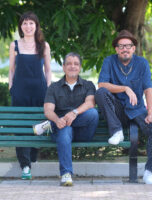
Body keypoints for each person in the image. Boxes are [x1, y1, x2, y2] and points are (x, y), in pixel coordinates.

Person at [95, 30, 152, 184]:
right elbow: (102, 84)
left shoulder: (142, 63)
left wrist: (151, 113)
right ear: (116, 49)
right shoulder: (109, 61)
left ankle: (150, 172)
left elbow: (148, 90)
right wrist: (125, 88)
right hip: (117, 112)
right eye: (121, 46)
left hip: (137, 110)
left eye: (128, 45)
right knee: (100, 92)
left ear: (134, 48)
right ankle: (117, 131)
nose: (124, 49)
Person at [43, 52, 99, 186]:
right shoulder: (54, 87)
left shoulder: (88, 85)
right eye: (68, 63)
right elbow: (48, 110)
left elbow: (91, 103)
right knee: (65, 128)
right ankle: (66, 174)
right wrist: (57, 120)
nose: (72, 66)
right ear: (63, 67)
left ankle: (48, 125)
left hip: (83, 131)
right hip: (62, 128)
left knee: (93, 114)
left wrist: (74, 113)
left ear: (80, 67)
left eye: (76, 64)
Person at [9, 11, 51, 180]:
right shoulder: (15, 45)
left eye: (31, 23)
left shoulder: (44, 46)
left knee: (39, 126)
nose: (28, 26)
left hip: (40, 91)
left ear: (36, 25)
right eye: (24, 23)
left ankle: (33, 157)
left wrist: (49, 91)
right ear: (21, 26)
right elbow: (11, 70)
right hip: (19, 92)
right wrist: (11, 87)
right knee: (20, 128)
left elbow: (48, 70)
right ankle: (25, 165)